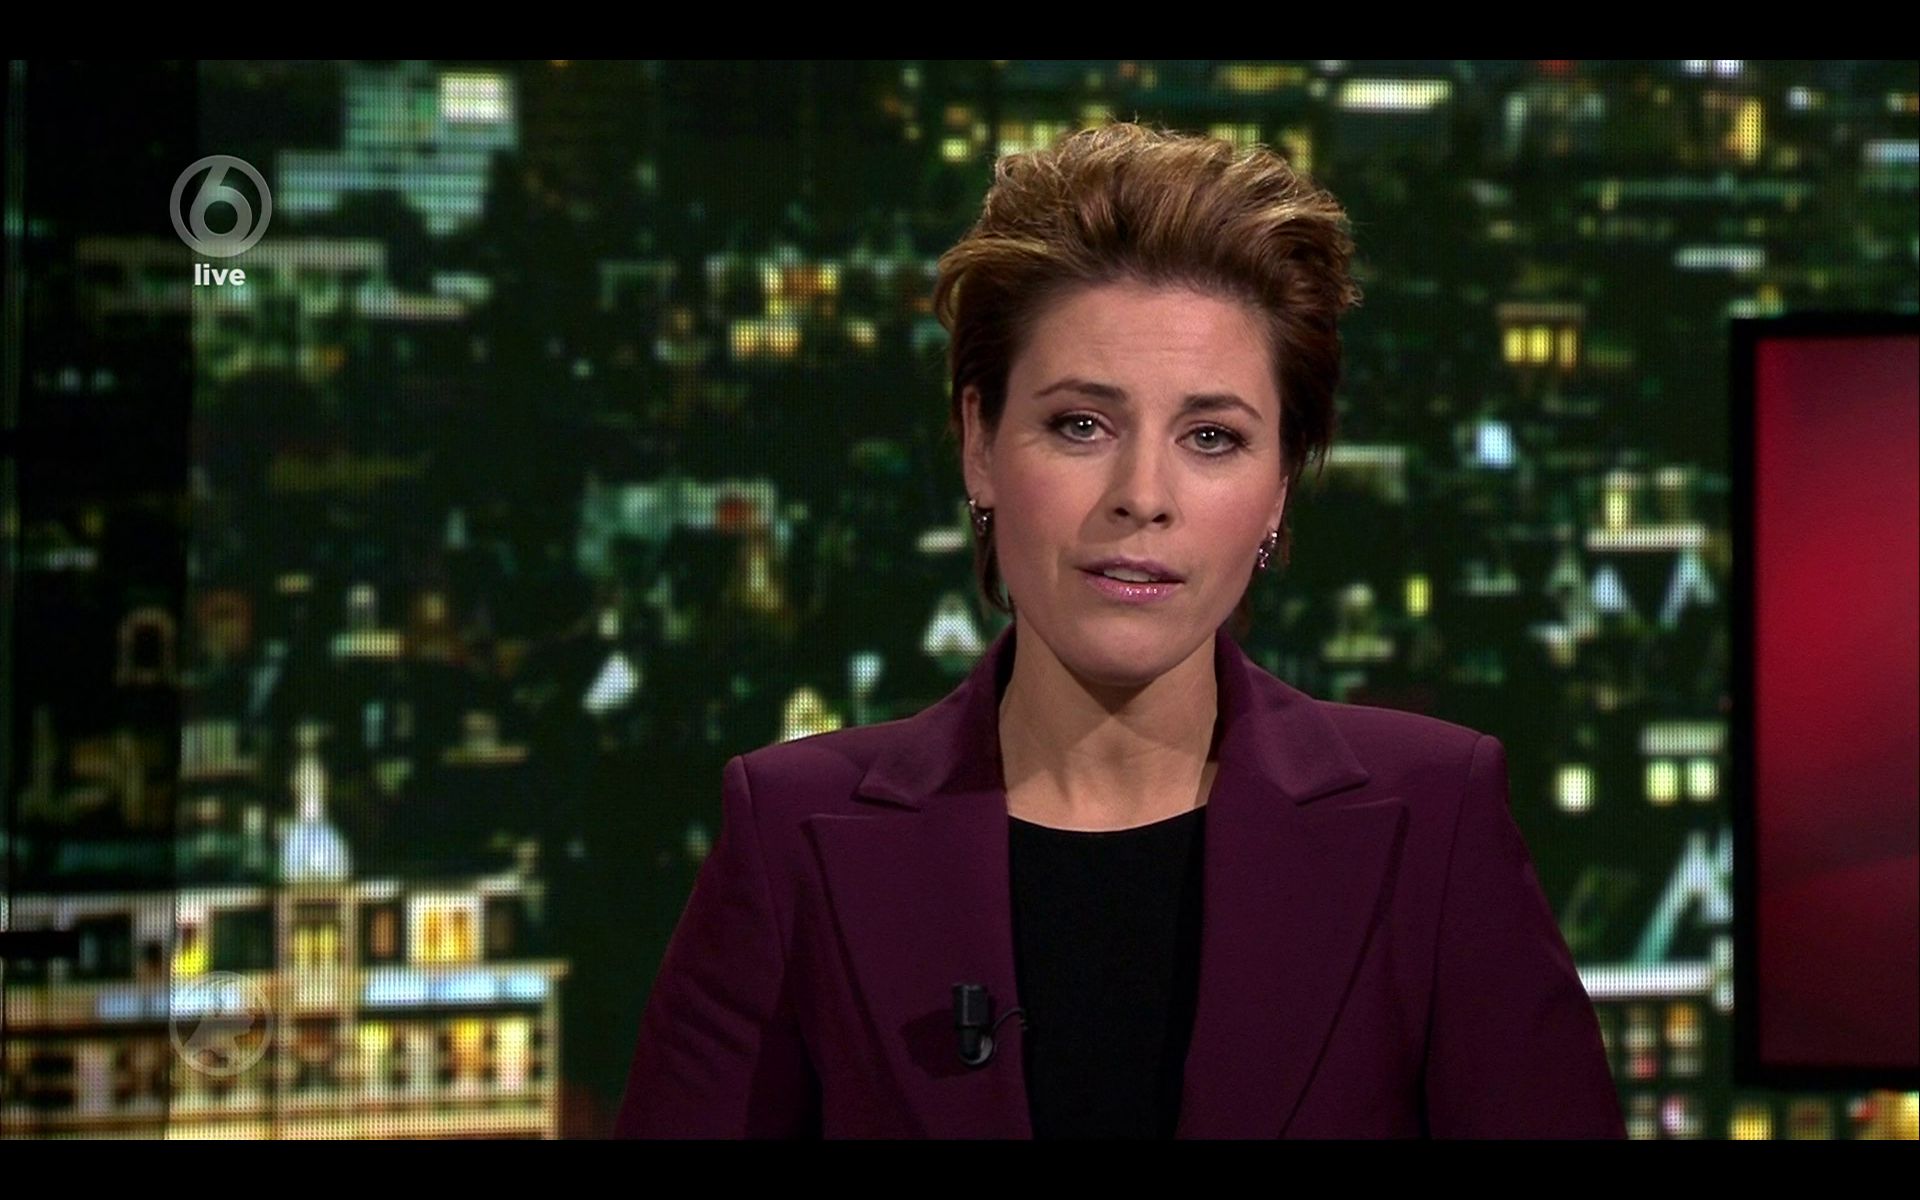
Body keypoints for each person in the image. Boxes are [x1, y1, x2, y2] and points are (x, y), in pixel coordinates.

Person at [615, 121, 1625, 1139]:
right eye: (1081, 425)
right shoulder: (790, 837)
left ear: (1281, 484)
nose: (1143, 494)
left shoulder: (1434, 827)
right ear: (978, 444)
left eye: (1212, 437)